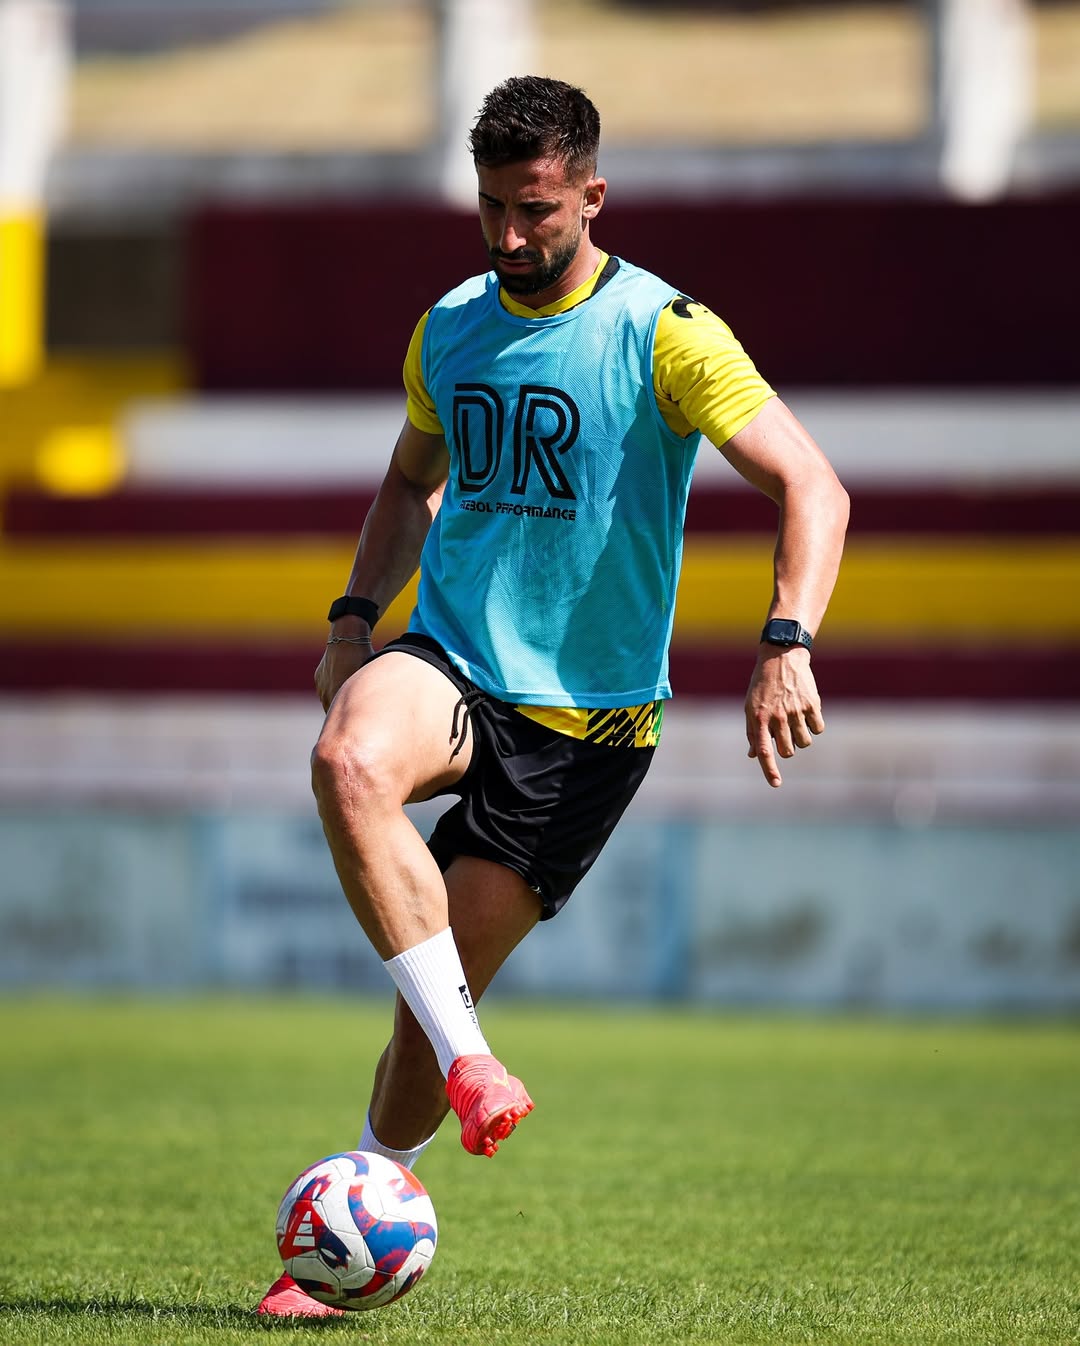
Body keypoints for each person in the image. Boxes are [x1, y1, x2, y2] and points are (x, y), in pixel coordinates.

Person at [258, 74, 849, 1317]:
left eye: (535, 210)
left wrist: (787, 638)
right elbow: (410, 481)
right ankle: (479, 1065)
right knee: (347, 758)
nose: (511, 237)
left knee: (424, 1014)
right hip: (456, 657)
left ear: (591, 193)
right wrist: (355, 618)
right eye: (490, 208)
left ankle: (367, 1208)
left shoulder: (668, 330)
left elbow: (814, 486)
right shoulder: (452, 325)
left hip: (587, 727)